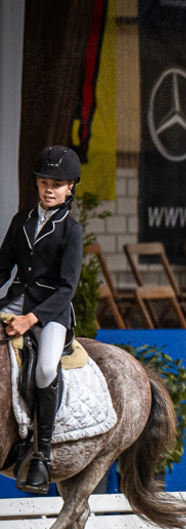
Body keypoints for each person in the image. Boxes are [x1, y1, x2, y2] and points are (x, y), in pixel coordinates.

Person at [0, 146, 84, 494]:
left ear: (70, 189)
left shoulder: (71, 230)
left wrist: (29, 319)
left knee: (46, 369)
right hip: (16, 299)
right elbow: (3, 268)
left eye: (58, 184)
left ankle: (42, 455)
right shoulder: (21, 220)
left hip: (51, 310)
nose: (50, 189)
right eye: (44, 182)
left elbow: (67, 288)